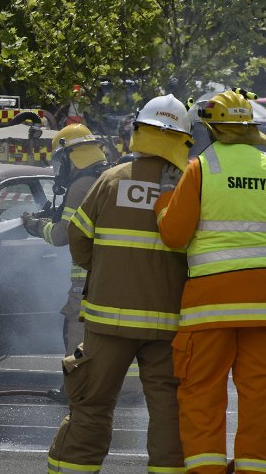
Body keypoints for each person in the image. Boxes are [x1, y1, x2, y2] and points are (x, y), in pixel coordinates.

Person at [47, 94, 193, 473]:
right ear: (183, 137)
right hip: (167, 323)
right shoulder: (190, 185)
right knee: (169, 411)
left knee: (92, 405)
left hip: (108, 320)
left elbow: (77, 239)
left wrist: (107, 269)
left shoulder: (113, 179)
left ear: (137, 133)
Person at [155, 90, 266, 473]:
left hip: (209, 308)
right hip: (264, 308)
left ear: (212, 127)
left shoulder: (201, 168)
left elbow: (174, 235)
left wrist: (163, 205)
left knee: (202, 393)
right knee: (260, 398)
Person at [22, 124, 109, 361]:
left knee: (77, 330)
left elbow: (63, 235)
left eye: (61, 160)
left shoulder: (80, 186)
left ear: (72, 155)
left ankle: (77, 386)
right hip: (113, 274)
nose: (59, 168)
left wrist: (36, 227)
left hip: (87, 278)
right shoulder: (107, 177)